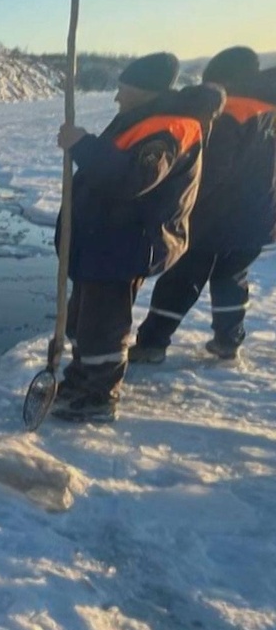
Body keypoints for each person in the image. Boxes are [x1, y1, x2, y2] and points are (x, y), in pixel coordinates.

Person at [52, 52, 225, 423]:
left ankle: (99, 396)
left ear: (144, 91)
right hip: (105, 239)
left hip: (124, 244)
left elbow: (133, 178)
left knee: (102, 324)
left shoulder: (169, 129)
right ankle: (83, 379)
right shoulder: (146, 119)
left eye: (123, 89)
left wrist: (83, 145)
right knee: (84, 319)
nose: (117, 98)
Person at [130, 47, 276, 363]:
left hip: (213, 219)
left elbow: (212, 170)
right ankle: (229, 340)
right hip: (257, 218)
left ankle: (152, 344)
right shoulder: (268, 108)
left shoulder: (229, 112)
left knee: (180, 279)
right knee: (231, 278)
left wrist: (182, 202)